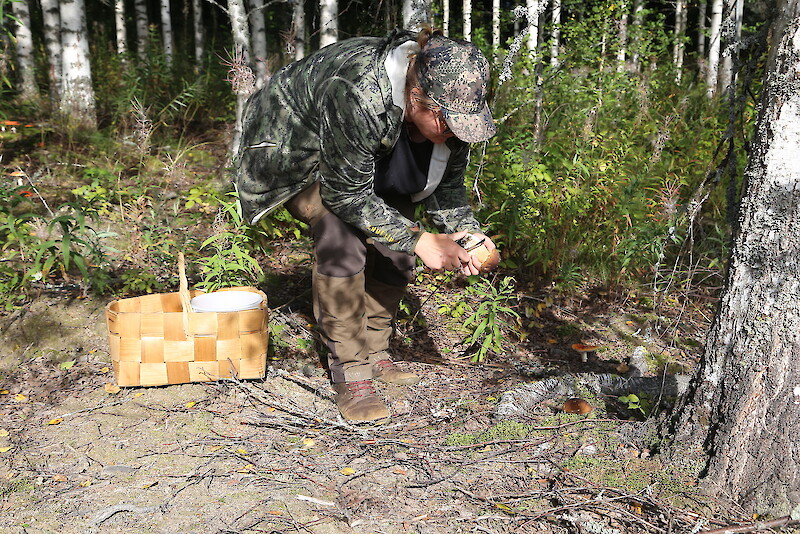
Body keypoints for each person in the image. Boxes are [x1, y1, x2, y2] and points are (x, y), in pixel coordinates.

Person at [235, 25, 498, 423]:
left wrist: (468, 235)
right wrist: (422, 240)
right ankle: (351, 373)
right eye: (448, 124)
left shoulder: (451, 109)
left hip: (361, 155)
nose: (456, 133)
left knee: (397, 246)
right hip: (295, 153)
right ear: (416, 100)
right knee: (342, 237)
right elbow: (343, 195)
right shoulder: (359, 92)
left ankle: (375, 352)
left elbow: (447, 191)